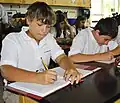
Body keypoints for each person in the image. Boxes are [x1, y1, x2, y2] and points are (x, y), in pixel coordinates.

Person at [0, 2, 81, 103]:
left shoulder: (48, 38)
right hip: (17, 92)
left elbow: (61, 57)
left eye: (48, 27)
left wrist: (71, 68)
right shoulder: (13, 39)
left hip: (42, 89)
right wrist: (37, 77)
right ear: (28, 20)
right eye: (40, 24)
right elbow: (6, 70)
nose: (44, 31)